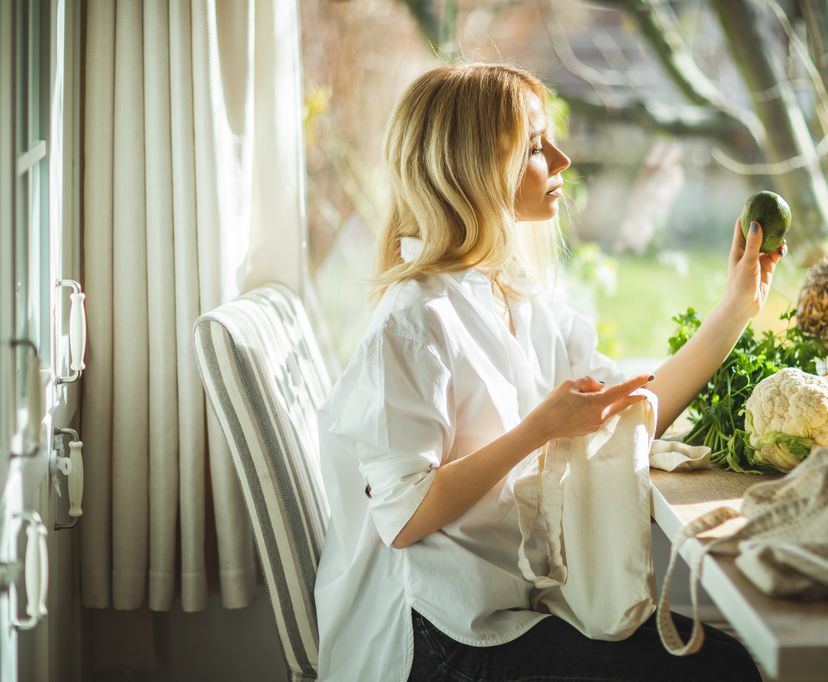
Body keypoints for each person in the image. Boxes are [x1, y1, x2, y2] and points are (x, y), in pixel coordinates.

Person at [315, 63, 784, 682]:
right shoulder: (414, 321)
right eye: (536, 146)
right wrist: (539, 429)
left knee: (727, 663)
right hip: (439, 633)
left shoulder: (514, 295)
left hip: (513, 600)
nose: (561, 160)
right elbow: (403, 516)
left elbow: (632, 409)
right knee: (719, 673)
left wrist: (736, 308)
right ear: (476, 168)